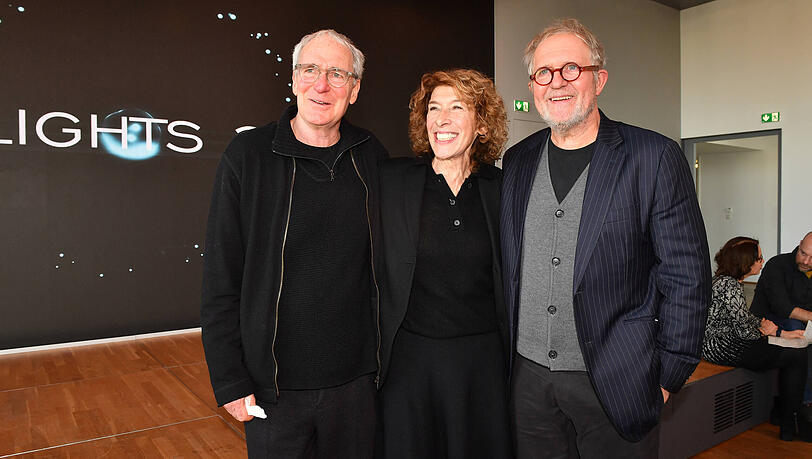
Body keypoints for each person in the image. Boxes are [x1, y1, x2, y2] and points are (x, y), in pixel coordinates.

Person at [500, 18, 711, 457]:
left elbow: (687, 276)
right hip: (528, 383)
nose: (557, 82)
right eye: (544, 73)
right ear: (533, 85)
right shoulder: (517, 160)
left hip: (618, 380)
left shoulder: (653, 156)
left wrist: (668, 376)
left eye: (571, 69)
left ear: (599, 79)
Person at [200, 29, 388, 458]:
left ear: (355, 89)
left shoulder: (371, 155)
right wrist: (230, 379)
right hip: (273, 391)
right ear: (293, 78)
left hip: (357, 386)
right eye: (310, 70)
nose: (321, 85)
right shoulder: (248, 155)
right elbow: (220, 277)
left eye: (337, 74)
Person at [377, 69, 512, 458]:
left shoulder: (502, 189)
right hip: (410, 366)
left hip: (482, 367)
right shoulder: (392, 182)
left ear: (482, 125)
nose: (441, 119)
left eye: (457, 108)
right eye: (434, 108)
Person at [702, 237, 810, 441]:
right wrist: (767, 331)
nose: (762, 261)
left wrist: (779, 333)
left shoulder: (724, 281)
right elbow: (745, 332)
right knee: (797, 356)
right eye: (759, 258)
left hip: (723, 342)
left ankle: (783, 415)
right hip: (722, 347)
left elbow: (745, 318)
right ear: (746, 262)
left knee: (792, 349)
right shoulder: (730, 286)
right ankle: (790, 424)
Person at [750, 232, 812, 330]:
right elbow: (782, 308)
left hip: (803, 321)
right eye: (803, 253)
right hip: (767, 320)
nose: (805, 261)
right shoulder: (776, 265)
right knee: (794, 326)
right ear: (800, 244)